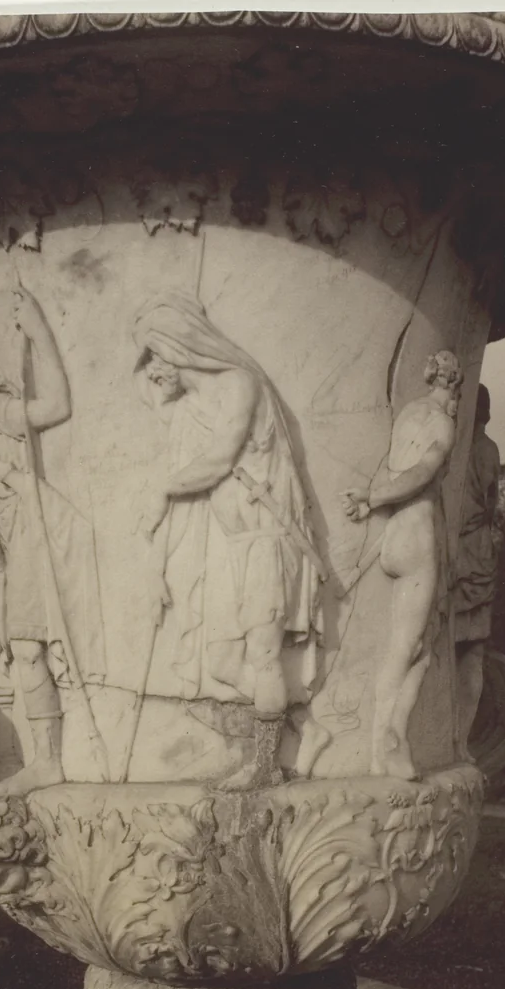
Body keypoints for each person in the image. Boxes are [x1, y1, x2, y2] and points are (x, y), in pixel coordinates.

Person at [133, 293, 322, 789]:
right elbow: (163, 416)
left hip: (267, 538)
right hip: (234, 544)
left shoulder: (240, 384)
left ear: (177, 346)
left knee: (262, 655)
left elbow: (218, 460)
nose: (151, 367)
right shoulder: (197, 401)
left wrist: (160, 491)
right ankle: (305, 729)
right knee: (221, 662)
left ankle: (265, 766)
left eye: (154, 353)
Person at [0, 282, 104, 797]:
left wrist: (38, 332)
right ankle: (47, 758)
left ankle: (50, 760)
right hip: (14, 540)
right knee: (23, 647)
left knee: (28, 645)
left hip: (39, 533)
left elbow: (55, 405)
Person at [343, 350, 462, 780]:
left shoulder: (408, 413)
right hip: (418, 537)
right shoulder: (442, 423)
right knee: (411, 649)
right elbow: (420, 474)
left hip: (395, 535)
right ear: (453, 386)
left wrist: (373, 498)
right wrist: (371, 498)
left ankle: (390, 741)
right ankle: (389, 743)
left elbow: (394, 466)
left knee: (415, 649)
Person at [453, 384, 500, 754]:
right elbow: (490, 504)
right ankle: (461, 740)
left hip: (459, 553)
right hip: (480, 552)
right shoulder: (489, 449)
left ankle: (448, 739)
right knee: (473, 652)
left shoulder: (458, 449)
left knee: (450, 649)